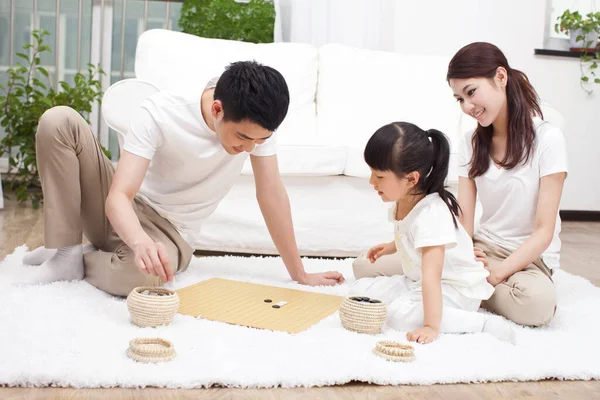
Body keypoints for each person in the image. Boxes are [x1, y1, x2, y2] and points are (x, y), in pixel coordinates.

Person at [21, 60, 344, 296]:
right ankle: (64, 253)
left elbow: (271, 194)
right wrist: (137, 240)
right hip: (121, 207)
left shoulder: (258, 128)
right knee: (58, 120)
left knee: (141, 278)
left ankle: (85, 256)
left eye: (259, 141)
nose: (249, 147)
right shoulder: (162, 111)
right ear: (217, 109)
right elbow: (119, 196)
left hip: (172, 233)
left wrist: (299, 272)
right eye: (244, 137)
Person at [350, 122, 513, 344]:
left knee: (398, 315)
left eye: (379, 176)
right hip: (416, 279)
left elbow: (432, 276)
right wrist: (391, 246)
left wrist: (430, 326)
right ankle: (417, 307)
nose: (371, 182)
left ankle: (481, 323)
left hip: (456, 289)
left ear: (411, 178)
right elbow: (408, 234)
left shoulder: (431, 215)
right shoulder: (404, 201)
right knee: (359, 290)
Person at [447, 42, 568, 326]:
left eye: (471, 92)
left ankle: (460, 288)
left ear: (501, 77)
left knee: (536, 306)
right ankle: (459, 283)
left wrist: (497, 273)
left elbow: (544, 232)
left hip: (531, 259)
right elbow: (465, 220)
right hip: (484, 247)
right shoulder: (470, 143)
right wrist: (467, 255)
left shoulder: (548, 139)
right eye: (459, 99)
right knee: (367, 266)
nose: (467, 106)